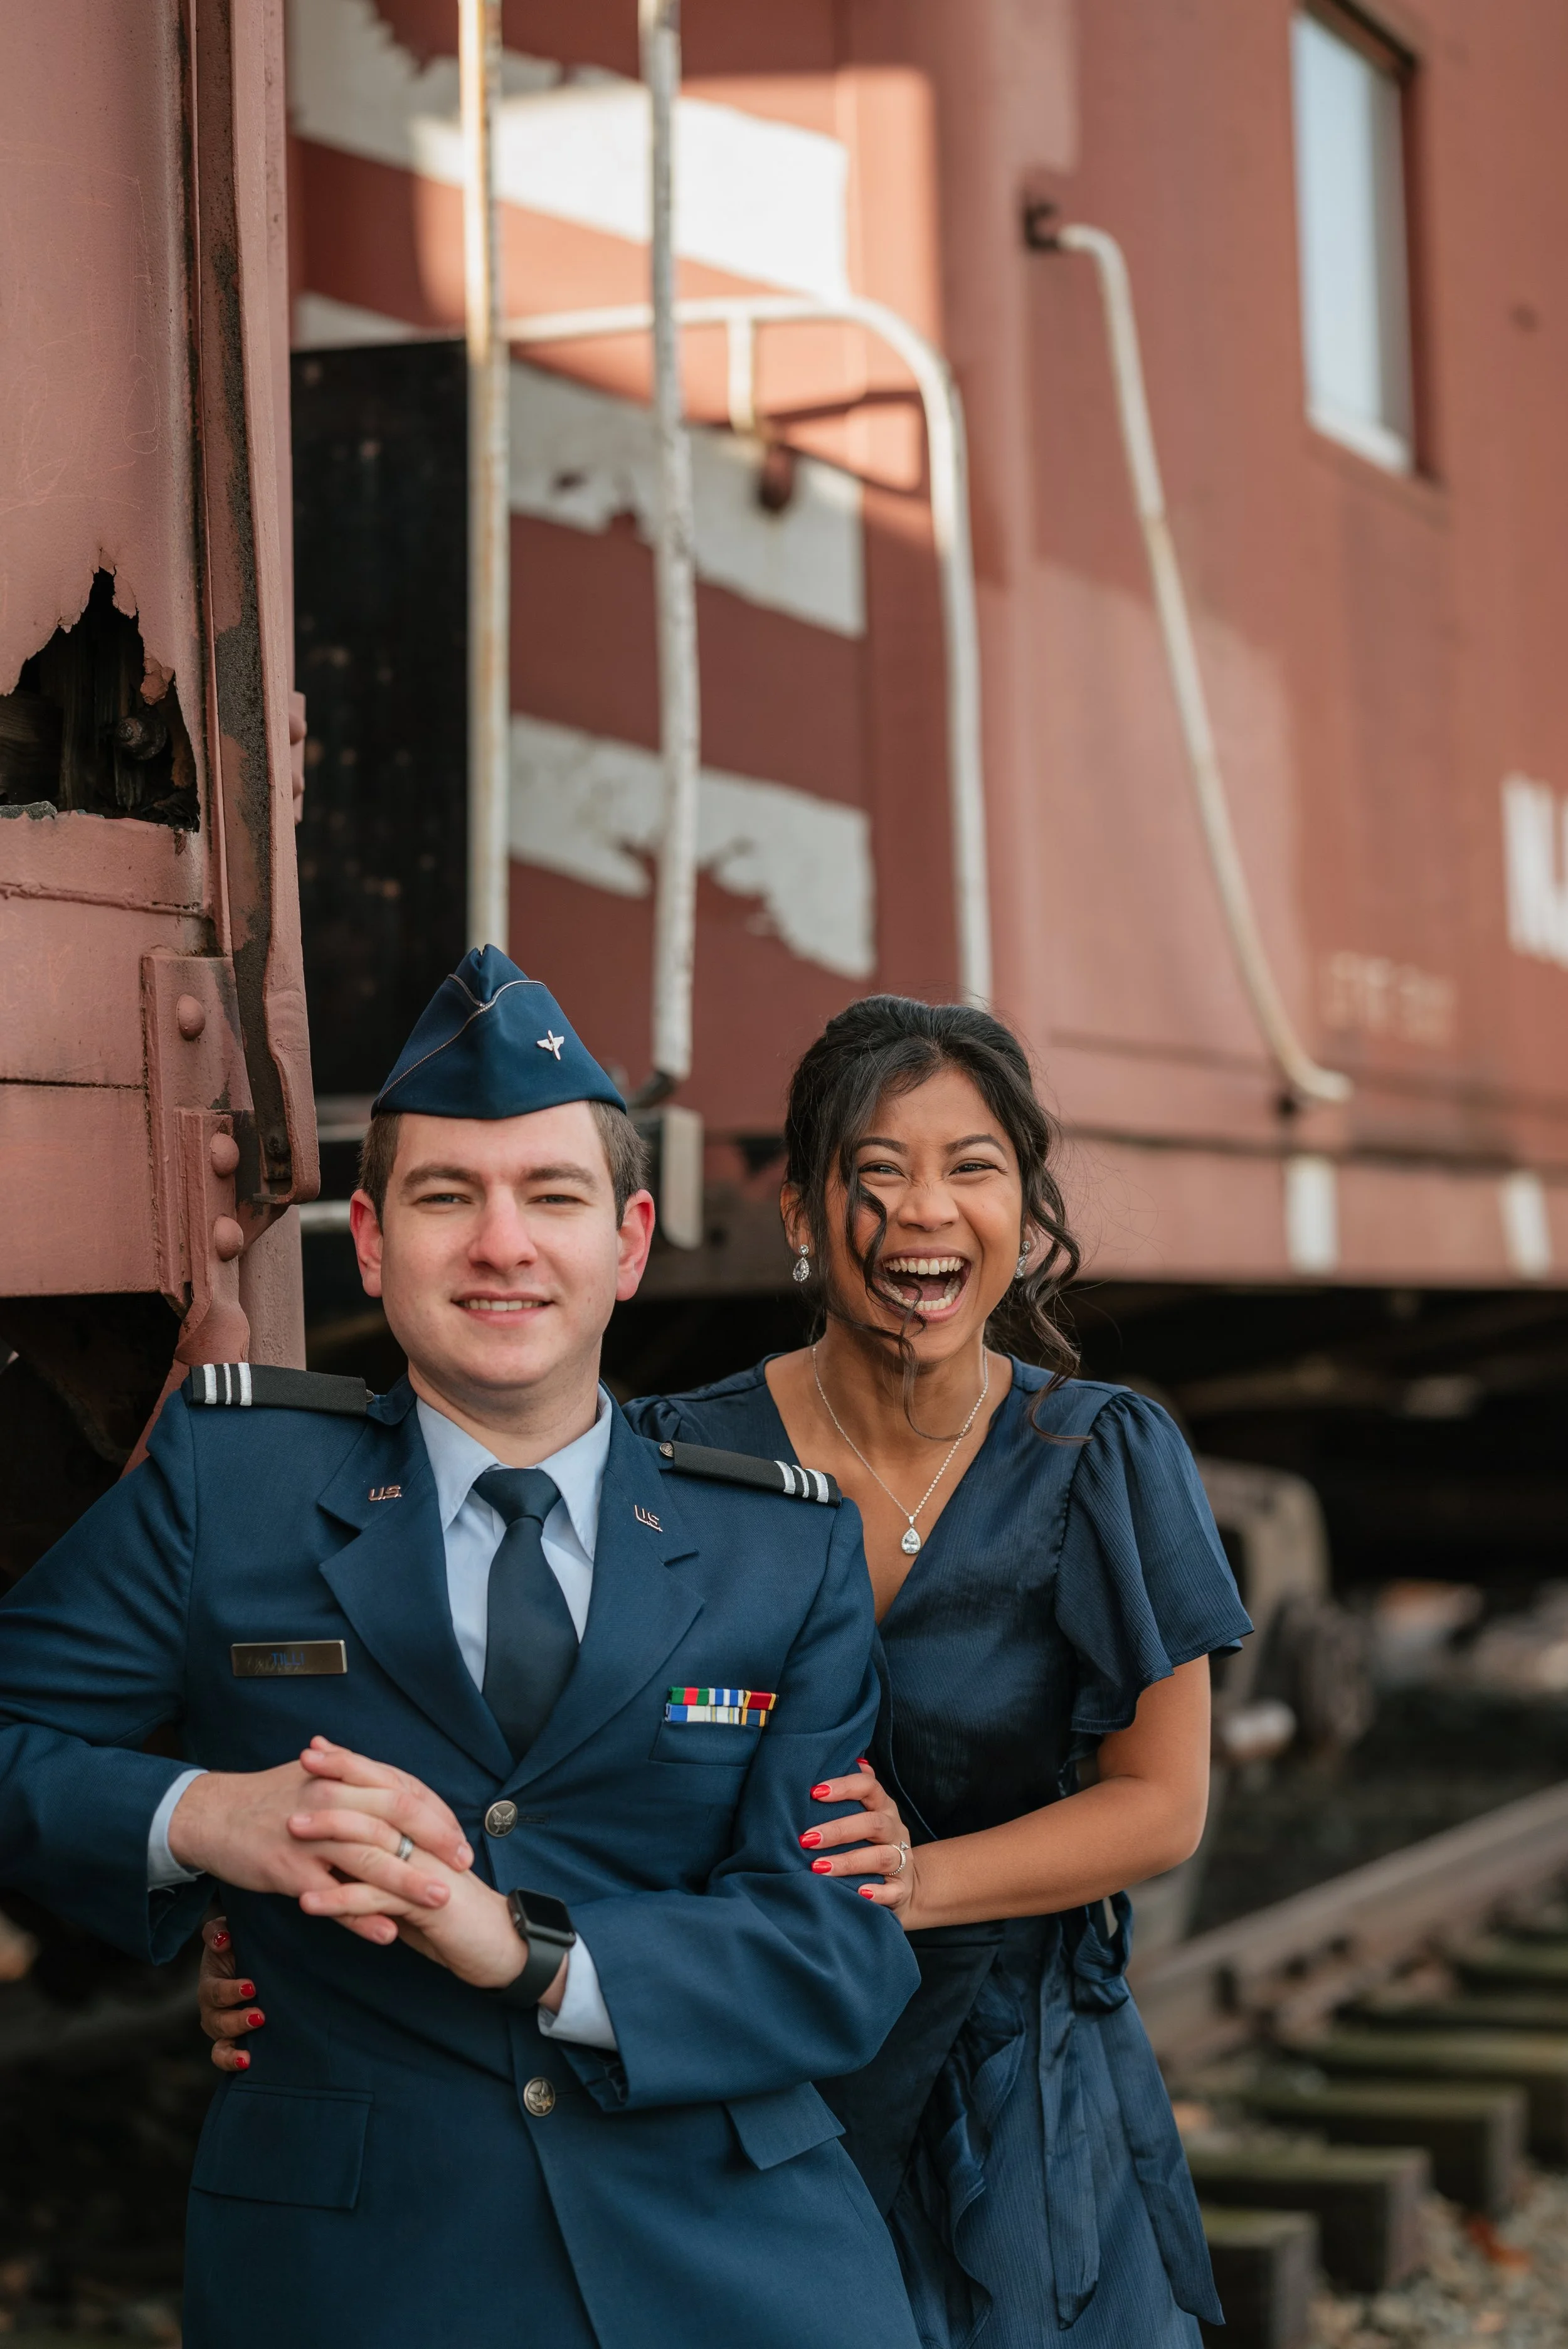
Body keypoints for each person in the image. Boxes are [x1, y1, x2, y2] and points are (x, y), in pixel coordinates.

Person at [203, 991, 1252, 2348]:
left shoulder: (1102, 1455)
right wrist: (263, 1937)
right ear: (805, 1218)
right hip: (710, 2061)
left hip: (1009, 2070)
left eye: (971, 1169)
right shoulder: (671, 1457)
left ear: (1020, 1207)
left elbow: (1160, 1806)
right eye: (874, 1174)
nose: (924, 1212)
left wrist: (908, 1886)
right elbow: (474, 1741)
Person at [0, 949, 924, 2349]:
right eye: (448, 1197)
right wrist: (204, 1819)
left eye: (551, 1198)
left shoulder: (777, 1550)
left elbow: (832, 1957)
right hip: (362, 2277)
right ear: (368, 1243)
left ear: (627, 1242)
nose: (501, 1245)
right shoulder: (228, 1486)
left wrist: (530, 1951)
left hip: (734, 2265)